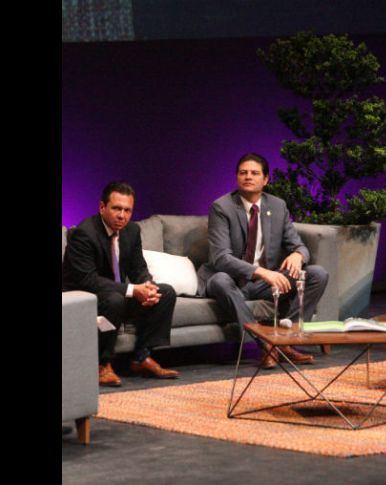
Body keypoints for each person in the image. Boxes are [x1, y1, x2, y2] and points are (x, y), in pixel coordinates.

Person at [197, 153, 329, 369]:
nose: (248, 177)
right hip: (232, 281)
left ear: (265, 179)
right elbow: (221, 258)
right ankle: (265, 345)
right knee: (220, 280)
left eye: (254, 173)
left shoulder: (277, 206)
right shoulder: (221, 207)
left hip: (262, 285)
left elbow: (299, 245)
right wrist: (263, 273)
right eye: (243, 173)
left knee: (317, 274)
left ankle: (286, 341)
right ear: (237, 177)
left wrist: (298, 255)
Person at [62, 181, 180, 387]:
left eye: (127, 210)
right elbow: (88, 280)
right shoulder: (85, 233)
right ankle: (102, 364)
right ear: (102, 207)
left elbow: (138, 268)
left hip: (117, 295)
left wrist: (148, 287)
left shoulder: (132, 231)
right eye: (116, 208)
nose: (122, 215)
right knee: (114, 300)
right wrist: (134, 290)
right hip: (86, 298)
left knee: (166, 292)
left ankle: (141, 357)